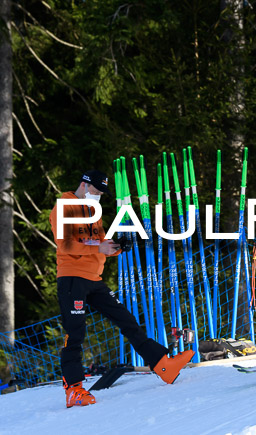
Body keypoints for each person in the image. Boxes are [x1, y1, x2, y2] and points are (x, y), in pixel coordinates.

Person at [50, 170, 194, 408]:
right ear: (84, 185)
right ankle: (73, 390)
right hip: (72, 278)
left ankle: (162, 364)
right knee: (75, 333)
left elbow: (99, 241)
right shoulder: (64, 206)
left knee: (127, 321)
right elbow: (65, 245)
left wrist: (118, 246)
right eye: (96, 191)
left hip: (94, 279)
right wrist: (99, 249)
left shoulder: (92, 211)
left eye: (101, 193)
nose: (98, 196)